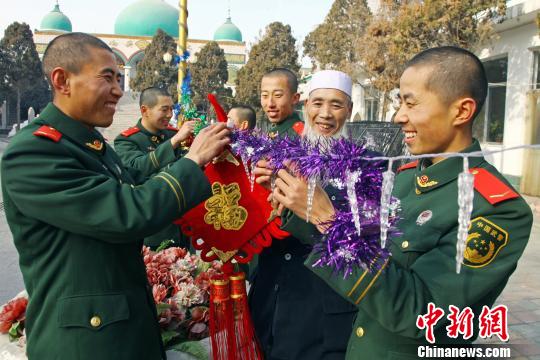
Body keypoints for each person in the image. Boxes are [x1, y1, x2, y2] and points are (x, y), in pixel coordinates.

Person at [272, 46, 533, 359]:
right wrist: (299, 206)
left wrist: (328, 220)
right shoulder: (406, 177)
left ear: (461, 111)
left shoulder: (497, 208)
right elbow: (364, 247)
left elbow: (422, 311)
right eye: (400, 102)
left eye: (411, 103)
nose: (399, 116)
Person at [0, 32, 230, 360]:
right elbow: (127, 212)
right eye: (107, 77)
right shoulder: (35, 152)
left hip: (123, 329)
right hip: (86, 343)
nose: (119, 90)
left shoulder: (88, 144)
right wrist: (193, 160)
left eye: (120, 78)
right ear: (62, 80)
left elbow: (135, 181)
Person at [249, 69, 356, 360]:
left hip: (319, 309)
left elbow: (359, 245)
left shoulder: (364, 165)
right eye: (317, 103)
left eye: (336, 105)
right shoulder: (279, 154)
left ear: (349, 110)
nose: (325, 114)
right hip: (269, 298)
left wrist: (309, 209)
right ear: (305, 106)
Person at [114, 87, 194, 248]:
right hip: (153, 231)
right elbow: (138, 169)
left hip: (183, 227)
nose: (170, 115)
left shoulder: (172, 134)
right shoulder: (127, 140)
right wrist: (174, 142)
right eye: (164, 109)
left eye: (172, 109)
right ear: (145, 110)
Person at [260, 68, 304, 138]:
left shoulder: (301, 135)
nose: (270, 104)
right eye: (265, 95)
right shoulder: (271, 131)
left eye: (277, 95)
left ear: (295, 98)